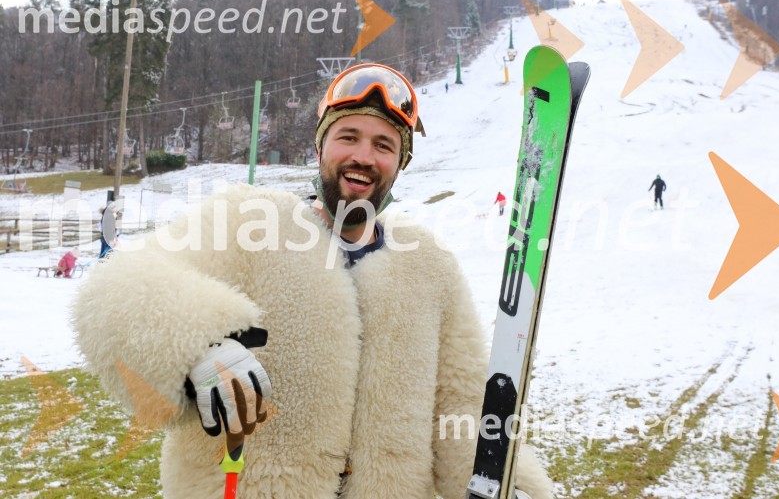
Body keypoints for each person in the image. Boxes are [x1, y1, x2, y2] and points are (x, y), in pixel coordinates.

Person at [72, 64, 554, 498]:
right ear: (320, 145)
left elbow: (462, 404)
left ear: (399, 165)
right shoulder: (248, 223)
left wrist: (511, 483)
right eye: (348, 137)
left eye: (384, 145)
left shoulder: (429, 266)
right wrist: (199, 345)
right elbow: (114, 291)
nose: (364, 156)